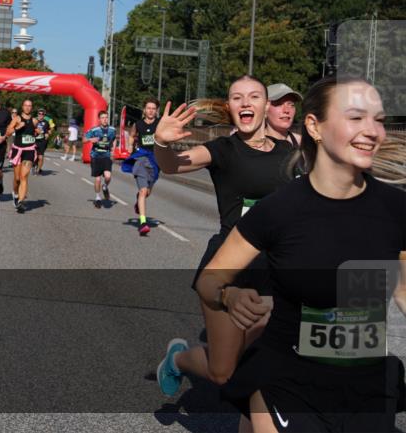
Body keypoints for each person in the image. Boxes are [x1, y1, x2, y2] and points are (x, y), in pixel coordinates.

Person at [197, 76, 406, 433]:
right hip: (288, 383)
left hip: (366, 387)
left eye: (379, 120)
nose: (372, 131)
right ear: (314, 126)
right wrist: (229, 295)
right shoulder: (279, 210)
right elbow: (209, 280)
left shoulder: (396, 208)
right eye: (355, 117)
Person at [154, 75, 295, 402]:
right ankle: (177, 360)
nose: (245, 102)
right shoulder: (223, 150)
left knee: (268, 359)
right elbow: (172, 165)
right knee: (223, 372)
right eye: (237, 97)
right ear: (229, 107)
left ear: (266, 105)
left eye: (254, 96)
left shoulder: (290, 152)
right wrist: (161, 144)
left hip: (275, 270)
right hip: (228, 270)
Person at [125, 99, 160, 236]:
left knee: (147, 192)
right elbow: (132, 135)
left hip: (155, 160)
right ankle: (143, 223)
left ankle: (138, 201)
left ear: (156, 111)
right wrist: (130, 146)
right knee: (143, 191)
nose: (151, 111)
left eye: (153, 108)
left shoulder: (160, 124)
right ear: (144, 110)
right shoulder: (138, 124)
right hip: (141, 158)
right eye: (148, 108)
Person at [4, 98, 37, 213]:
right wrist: (17, 127)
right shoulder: (17, 119)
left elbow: (35, 131)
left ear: (31, 108)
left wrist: (38, 132)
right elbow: (8, 132)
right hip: (17, 150)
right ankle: (15, 194)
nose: (27, 107)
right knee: (17, 179)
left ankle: (21, 202)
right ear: (22, 107)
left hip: (29, 150)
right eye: (26, 105)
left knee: (24, 176)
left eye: (30, 105)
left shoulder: (34, 120)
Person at [84, 111, 117, 208]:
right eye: (102, 118)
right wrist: (90, 139)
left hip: (106, 155)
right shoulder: (94, 130)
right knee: (98, 179)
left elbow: (114, 139)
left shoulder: (112, 129)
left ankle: (105, 186)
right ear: (99, 119)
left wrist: (113, 150)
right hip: (96, 156)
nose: (105, 119)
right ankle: (98, 198)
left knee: (108, 176)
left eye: (106, 117)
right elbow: (84, 139)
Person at [265, 83, 302, 148]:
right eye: (278, 104)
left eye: (291, 105)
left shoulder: (303, 144)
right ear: (265, 108)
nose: (286, 110)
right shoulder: (251, 145)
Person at [33, 108, 55, 175]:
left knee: (40, 157)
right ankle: (34, 165)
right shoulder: (34, 120)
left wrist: (49, 133)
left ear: (44, 115)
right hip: (34, 140)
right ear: (37, 114)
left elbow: (51, 128)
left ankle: (38, 171)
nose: (41, 115)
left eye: (42, 114)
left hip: (42, 141)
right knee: (34, 156)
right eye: (39, 113)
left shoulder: (47, 122)